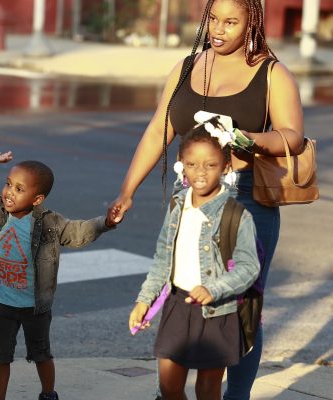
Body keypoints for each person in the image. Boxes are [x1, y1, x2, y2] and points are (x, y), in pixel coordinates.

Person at [107, 0, 304, 398]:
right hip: (189, 198)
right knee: (182, 295)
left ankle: (235, 395)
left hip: (244, 203)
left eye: (231, 22)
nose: (219, 29)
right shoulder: (186, 67)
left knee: (240, 308)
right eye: (214, 18)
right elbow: (156, 131)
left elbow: (292, 136)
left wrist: (246, 140)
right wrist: (127, 191)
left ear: (252, 22)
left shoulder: (271, 73)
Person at [0, 151, 117, 400]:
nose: (9, 192)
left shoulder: (49, 223)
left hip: (35, 307)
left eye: (19, 189)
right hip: (2, 302)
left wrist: (105, 222)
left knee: (41, 353)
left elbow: (77, 231)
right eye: (8, 184)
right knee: (0, 356)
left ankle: (48, 393)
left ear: (37, 198)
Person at [129, 124, 260, 400]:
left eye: (210, 164)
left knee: (208, 389)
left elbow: (250, 268)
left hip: (218, 313)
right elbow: (163, 258)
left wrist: (214, 288)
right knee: (169, 386)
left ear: (226, 167)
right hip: (178, 305)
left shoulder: (237, 215)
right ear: (181, 165)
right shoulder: (177, 205)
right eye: (192, 164)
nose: (200, 172)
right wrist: (144, 300)